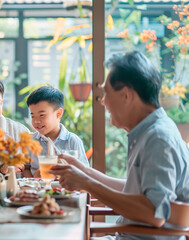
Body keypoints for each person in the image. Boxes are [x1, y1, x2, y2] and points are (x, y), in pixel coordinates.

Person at [50, 51, 189, 240]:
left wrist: (85, 182)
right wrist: (84, 171)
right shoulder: (149, 131)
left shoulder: (158, 139)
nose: (103, 102)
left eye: (106, 93)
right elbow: (135, 191)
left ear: (126, 96)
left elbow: (154, 213)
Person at [26, 86, 89, 178]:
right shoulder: (31, 141)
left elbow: (84, 173)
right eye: (32, 116)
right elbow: (26, 168)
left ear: (58, 113)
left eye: (42, 115)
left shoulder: (72, 141)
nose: (36, 121)